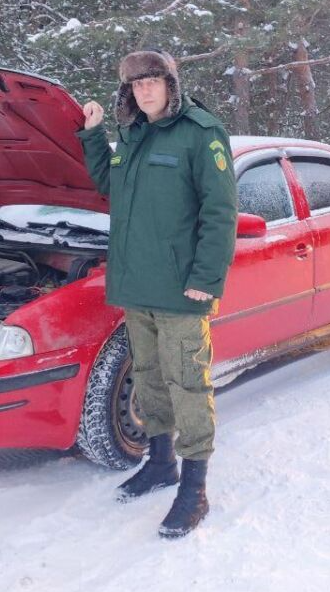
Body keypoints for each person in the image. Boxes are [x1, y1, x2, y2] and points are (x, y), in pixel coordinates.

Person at [77, 49, 237, 538]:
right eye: (136, 83)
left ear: (171, 83)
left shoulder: (201, 133)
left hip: (181, 289)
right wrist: (92, 136)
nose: (145, 89)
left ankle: (194, 488)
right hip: (137, 285)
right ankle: (161, 461)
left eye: (153, 80)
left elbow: (220, 212)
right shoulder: (134, 134)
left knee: (187, 382)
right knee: (148, 376)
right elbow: (112, 185)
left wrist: (206, 279)